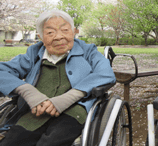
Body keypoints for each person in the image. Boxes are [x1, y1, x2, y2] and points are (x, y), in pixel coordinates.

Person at [0, 10, 116, 146]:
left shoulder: (87, 51)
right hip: (37, 111)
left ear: (73, 32)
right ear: (41, 37)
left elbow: (106, 74)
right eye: (50, 33)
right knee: (12, 142)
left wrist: (69, 97)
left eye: (65, 30)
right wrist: (27, 91)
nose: (59, 37)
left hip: (74, 111)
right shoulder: (34, 53)